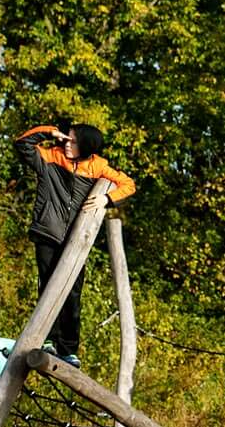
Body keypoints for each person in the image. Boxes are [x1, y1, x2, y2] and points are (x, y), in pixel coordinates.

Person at [13, 121, 137, 365]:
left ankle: (69, 350)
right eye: (67, 139)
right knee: (47, 286)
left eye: (74, 141)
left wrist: (106, 199)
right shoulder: (51, 157)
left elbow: (128, 184)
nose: (68, 144)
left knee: (73, 293)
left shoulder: (97, 165)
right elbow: (22, 144)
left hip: (75, 242)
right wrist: (49, 132)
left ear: (87, 145)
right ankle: (47, 340)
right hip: (48, 232)